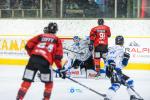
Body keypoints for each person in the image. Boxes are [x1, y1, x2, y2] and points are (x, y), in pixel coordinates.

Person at [16, 22, 66, 100]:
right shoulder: (57, 40)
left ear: (47, 29)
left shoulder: (41, 36)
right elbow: (57, 57)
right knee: (48, 84)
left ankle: (19, 98)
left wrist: (33, 55)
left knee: (27, 81)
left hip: (32, 60)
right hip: (45, 62)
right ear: (56, 31)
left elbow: (28, 46)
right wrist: (61, 69)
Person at [104, 35, 136, 100]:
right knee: (116, 84)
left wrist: (125, 59)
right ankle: (108, 97)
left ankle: (132, 96)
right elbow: (110, 57)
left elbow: (122, 65)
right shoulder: (115, 48)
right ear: (123, 42)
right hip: (112, 70)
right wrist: (111, 63)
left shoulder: (120, 49)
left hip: (117, 70)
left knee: (129, 81)